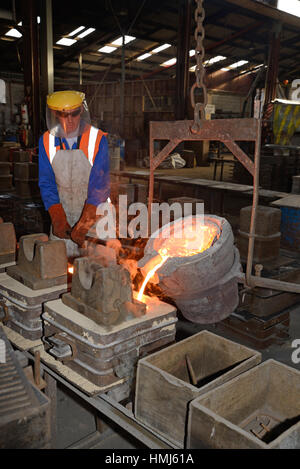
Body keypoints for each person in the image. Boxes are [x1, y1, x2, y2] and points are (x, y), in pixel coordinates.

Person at [38, 90, 110, 258]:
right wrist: (57, 217)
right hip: (62, 213)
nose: (69, 120)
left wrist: (85, 223)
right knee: (58, 268)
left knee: (99, 272)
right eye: (63, 115)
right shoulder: (47, 140)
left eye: (74, 114)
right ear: (55, 114)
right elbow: (46, 183)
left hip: (95, 215)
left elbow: (100, 185)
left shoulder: (97, 138)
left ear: (81, 111)